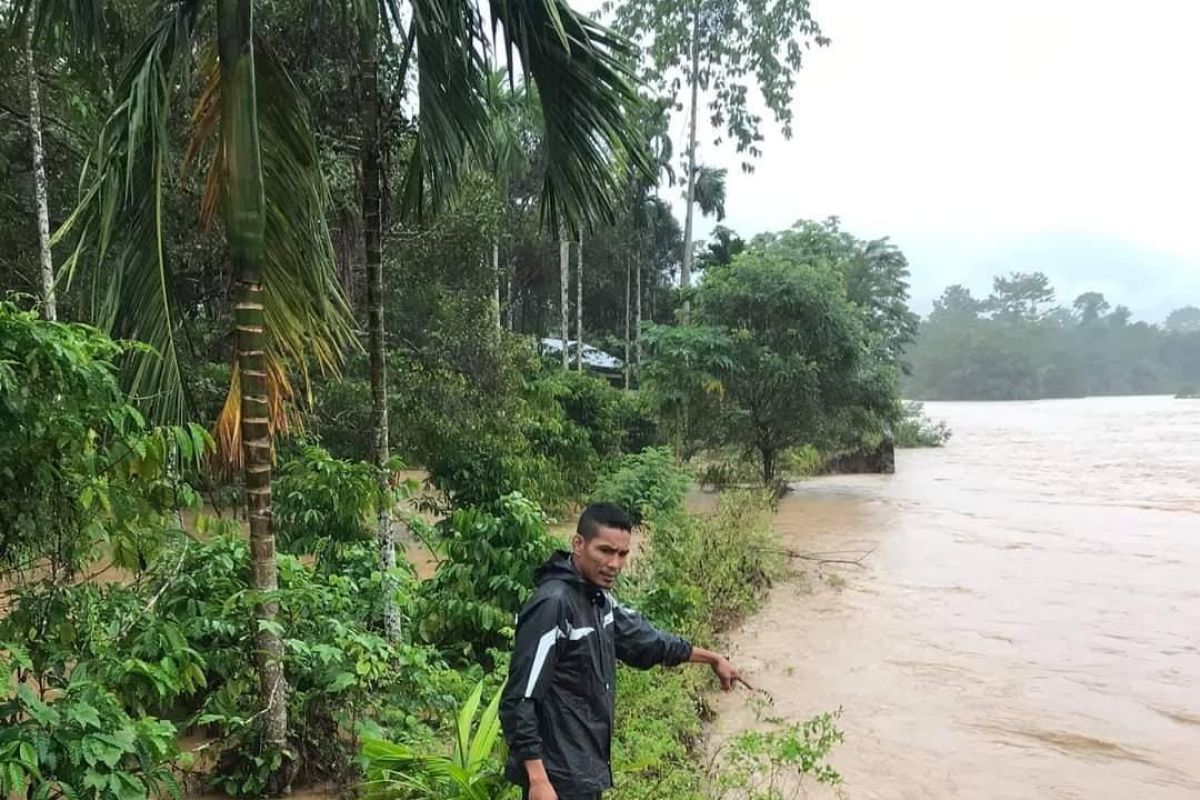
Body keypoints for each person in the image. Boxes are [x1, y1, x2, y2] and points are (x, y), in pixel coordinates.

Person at [499, 501, 746, 800]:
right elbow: (520, 698)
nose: (614, 564)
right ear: (578, 544)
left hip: (585, 769)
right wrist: (537, 780)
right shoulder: (554, 604)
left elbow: (647, 642)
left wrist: (712, 658)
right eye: (605, 551)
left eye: (622, 554)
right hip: (557, 777)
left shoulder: (598, 600)